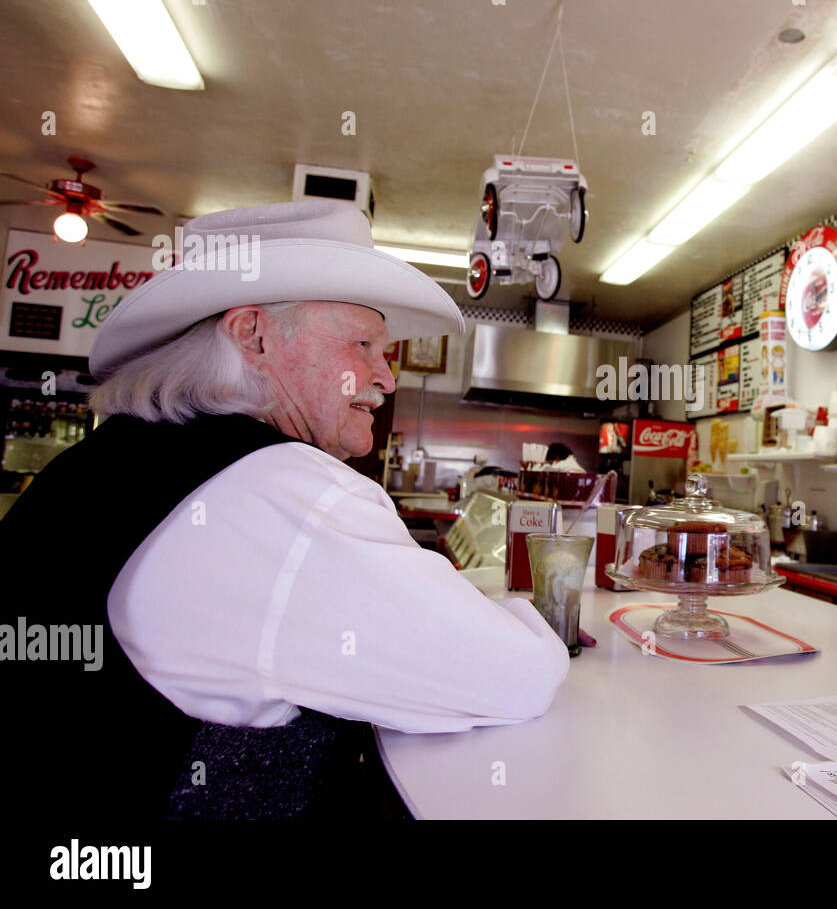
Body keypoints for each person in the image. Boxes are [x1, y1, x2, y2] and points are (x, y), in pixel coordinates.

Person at [0, 200, 570, 820]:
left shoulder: (113, 457)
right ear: (254, 335)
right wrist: (516, 613)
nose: (384, 377)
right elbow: (516, 674)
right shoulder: (281, 486)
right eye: (363, 344)